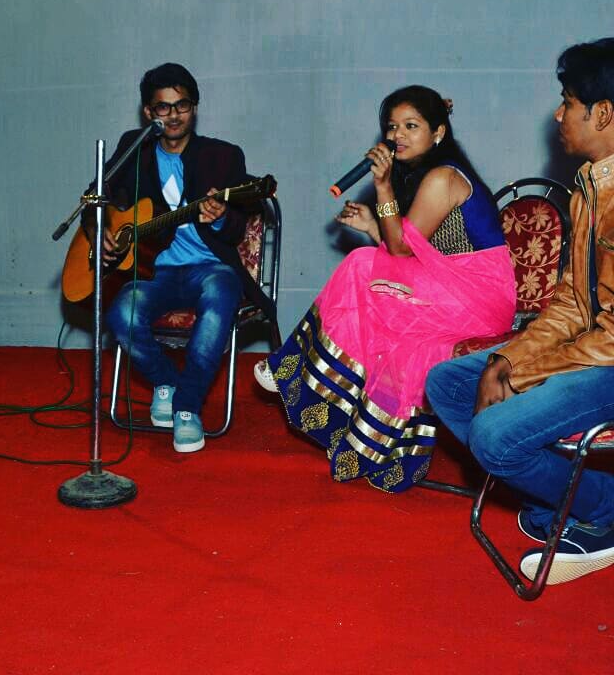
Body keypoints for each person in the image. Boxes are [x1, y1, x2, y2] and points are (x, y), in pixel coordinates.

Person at [254, 85, 516, 491]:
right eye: (392, 127)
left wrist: (383, 187)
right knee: (392, 321)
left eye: (412, 126)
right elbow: (415, 255)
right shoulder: (427, 175)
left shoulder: (443, 178)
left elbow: (401, 250)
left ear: (438, 133)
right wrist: (374, 226)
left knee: (363, 265)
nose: (398, 136)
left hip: (477, 298)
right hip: (447, 288)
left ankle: (293, 366)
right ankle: (375, 448)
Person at [426, 38, 614, 585]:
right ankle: (571, 500)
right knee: (447, 383)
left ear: (602, 113)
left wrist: (522, 373)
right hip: (594, 353)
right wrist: (505, 360)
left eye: (568, 101)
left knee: (493, 437)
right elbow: (572, 303)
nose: (558, 114)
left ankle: (603, 509)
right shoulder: (589, 188)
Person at [81, 63, 272, 453]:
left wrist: (221, 217)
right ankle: (166, 382)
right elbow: (93, 199)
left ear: (194, 108)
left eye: (182, 105)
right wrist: (100, 232)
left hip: (210, 268)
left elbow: (237, 229)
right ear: (148, 112)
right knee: (122, 315)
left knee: (219, 303)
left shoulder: (223, 156)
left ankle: (186, 406)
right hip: (154, 271)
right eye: (163, 107)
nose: (173, 115)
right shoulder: (134, 149)